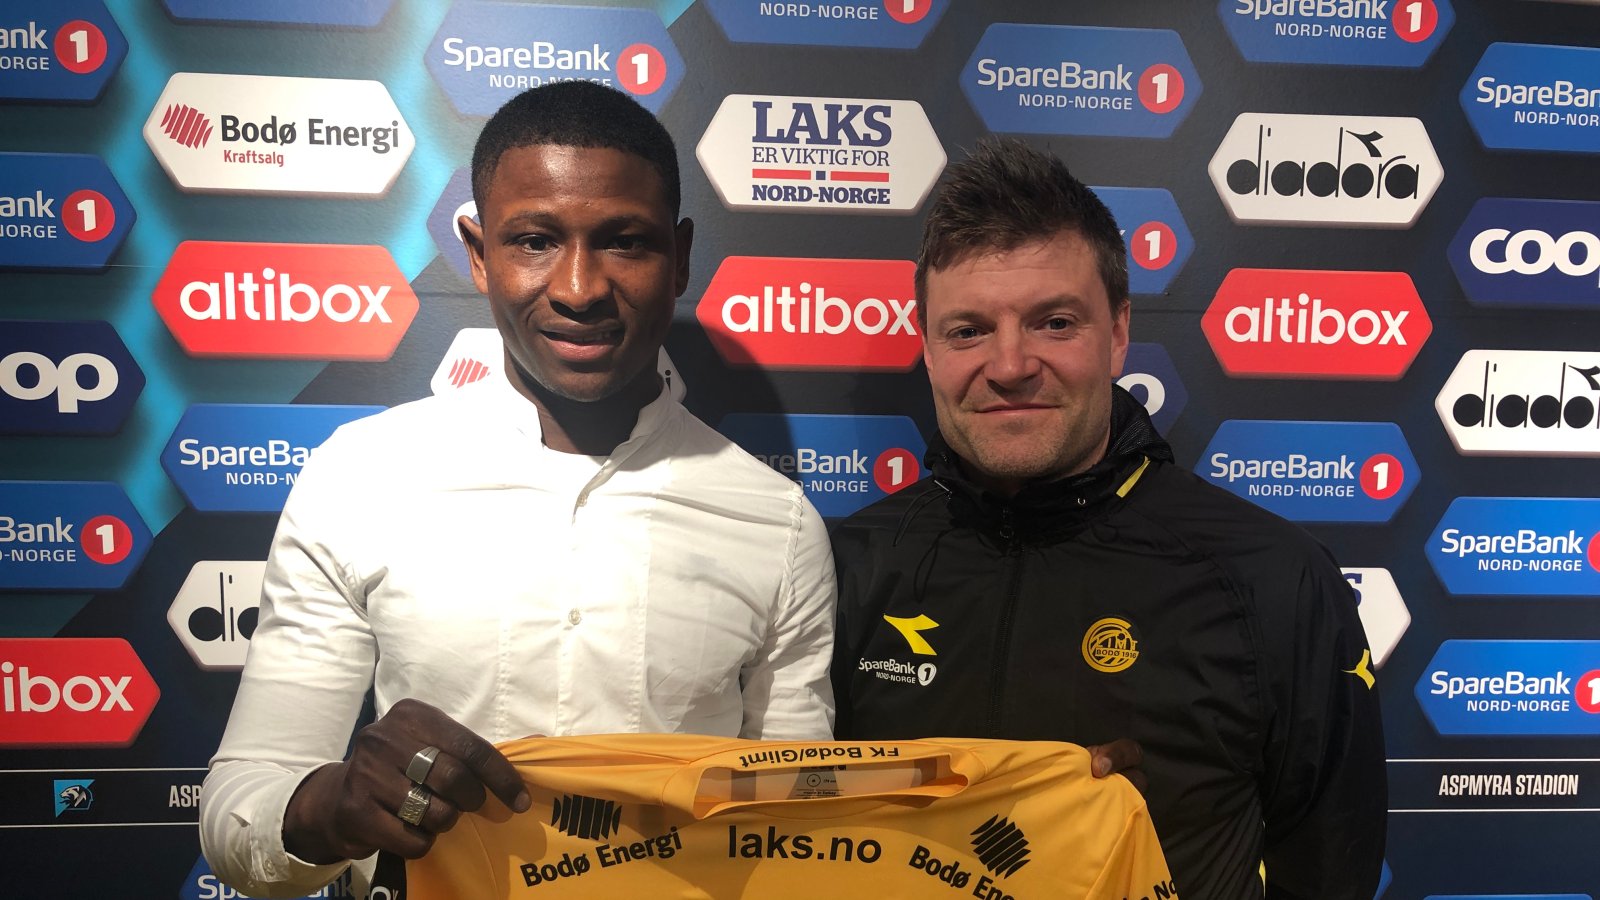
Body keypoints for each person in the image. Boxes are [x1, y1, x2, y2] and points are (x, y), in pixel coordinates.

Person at [200, 82, 837, 898]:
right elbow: (239, 813)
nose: (578, 288)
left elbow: (796, 827)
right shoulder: (358, 478)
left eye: (624, 242)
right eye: (534, 240)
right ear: (477, 254)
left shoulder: (778, 524)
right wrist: (334, 805)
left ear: (679, 257)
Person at [829, 138, 1386, 899]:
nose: (1010, 365)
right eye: (968, 330)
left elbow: (1330, 870)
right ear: (927, 347)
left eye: (1055, 322)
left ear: (1119, 333)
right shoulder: (851, 565)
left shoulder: (1272, 577)